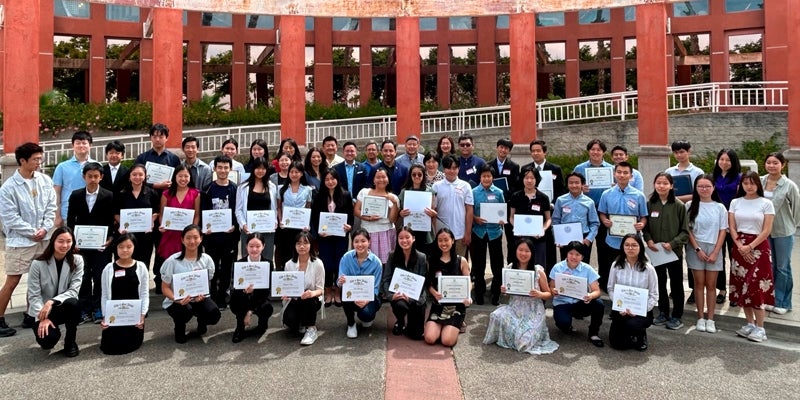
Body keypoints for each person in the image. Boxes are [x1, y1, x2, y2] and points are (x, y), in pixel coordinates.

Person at [0, 143, 57, 337]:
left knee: (39, 278)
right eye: (35, 159)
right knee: (13, 280)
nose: (39, 162)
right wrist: (32, 231)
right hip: (20, 241)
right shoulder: (8, 188)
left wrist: (45, 228)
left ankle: (29, 313)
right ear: (22, 161)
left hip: (44, 238)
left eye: (40, 159)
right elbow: (10, 217)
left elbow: (51, 206)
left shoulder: (44, 180)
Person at [483, 238, 559, 355]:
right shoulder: (510, 268)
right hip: (515, 308)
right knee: (496, 316)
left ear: (532, 253)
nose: (523, 253)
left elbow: (548, 294)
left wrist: (539, 294)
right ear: (515, 251)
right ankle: (514, 333)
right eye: (520, 250)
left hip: (534, 310)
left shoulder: (538, 270)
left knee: (523, 343)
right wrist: (504, 290)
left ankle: (523, 334)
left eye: (527, 251)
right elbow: (508, 292)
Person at [134, 123, 181, 294]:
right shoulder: (142, 158)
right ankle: (142, 283)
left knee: (164, 245)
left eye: (161, 136)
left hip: (167, 208)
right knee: (144, 247)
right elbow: (136, 179)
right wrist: (155, 184)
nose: (158, 139)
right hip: (146, 207)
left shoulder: (174, 159)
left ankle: (162, 280)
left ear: (166, 138)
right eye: (155, 135)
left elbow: (180, 180)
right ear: (151, 138)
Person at [66, 162, 115, 323]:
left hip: (102, 245)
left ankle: (99, 307)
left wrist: (110, 239)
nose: (93, 179)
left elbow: (112, 221)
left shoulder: (109, 195)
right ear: (84, 177)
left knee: (101, 275)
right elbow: (70, 220)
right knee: (83, 276)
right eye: (89, 176)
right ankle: (85, 308)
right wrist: (72, 242)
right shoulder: (75, 195)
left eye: (96, 176)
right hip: (81, 246)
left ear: (101, 177)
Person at [729, 171, 775, 342]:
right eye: (745, 183)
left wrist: (750, 246)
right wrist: (740, 246)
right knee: (741, 286)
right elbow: (732, 227)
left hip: (759, 247)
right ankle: (749, 323)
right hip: (739, 246)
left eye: (752, 183)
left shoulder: (766, 203)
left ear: (758, 184)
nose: (749, 186)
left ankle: (761, 327)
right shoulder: (735, 202)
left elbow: (767, 230)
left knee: (755, 287)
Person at [27, 227, 84, 357]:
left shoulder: (77, 261)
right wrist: (43, 317)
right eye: (60, 241)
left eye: (69, 241)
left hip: (61, 307)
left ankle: (70, 342)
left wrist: (51, 302)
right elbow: (33, 295)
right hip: (41, 310)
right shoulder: (37, 264)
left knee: (74, 303)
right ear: (53, 241)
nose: (64, 245)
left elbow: (74, 290)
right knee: (47, 342)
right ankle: (51, 330)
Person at [160, 225, 221, 343]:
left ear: (201, 238)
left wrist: (202, 295)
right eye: (188, 238)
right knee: (184, 311)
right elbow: (165, 288)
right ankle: (179, 328)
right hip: (178, 301)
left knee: (214, 315)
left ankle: (202, 321)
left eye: (195, 237)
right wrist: (176, 299)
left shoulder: (207, 259)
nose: (192, 241)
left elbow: (206, 283)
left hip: (199, 298)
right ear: (182, 239)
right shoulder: (172, 261)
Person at [644, 173, 689, 330]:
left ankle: (677, 316)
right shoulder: (650, 204)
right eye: (658, 183)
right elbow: (646, 227)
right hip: (656, 253)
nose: (661, 186)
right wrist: (648, 240)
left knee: (676, 285)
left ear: (671, 186)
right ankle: (663, 312)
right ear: (654, 184)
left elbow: (685, 231)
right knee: (660, 283)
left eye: (665, 183)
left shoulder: (678, 205)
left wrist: (672, 243)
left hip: (673, 253)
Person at [685, 174, 727, 333]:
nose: (704, 189)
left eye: (707, 186)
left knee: (711, 285)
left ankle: (711, 319)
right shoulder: (689, 205)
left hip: (714, 247)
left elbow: (723, 230)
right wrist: (697, 249)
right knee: (698, 284)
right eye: (700, 186)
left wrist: (716, 252)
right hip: (695, 248)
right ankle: (700, 317)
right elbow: (688, 230)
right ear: (696, 188)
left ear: (713, 188)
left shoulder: (719, 207)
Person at [597, 161, 648, 292]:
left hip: (632, 242)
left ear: (631, 176)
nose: (622, 175)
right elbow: (602, 212)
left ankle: (630, 296)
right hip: (612, 240)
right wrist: (604, 220)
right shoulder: (606, 194)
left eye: (625, 173)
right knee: (614, 270)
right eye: (619, 172)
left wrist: (642, 224)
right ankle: (614, 296)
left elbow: (643, 216)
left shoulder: (638, 195)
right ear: (614, 174)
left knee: (632, 270)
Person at [761, 152, 799, 315]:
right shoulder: (760, 181)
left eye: (775, 163)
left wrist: (792, 225)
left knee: (783, 267)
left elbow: (797, 208)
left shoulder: (789, 185)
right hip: (764, 231)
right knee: (769, 266)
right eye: (769, 162)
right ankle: (771, 298)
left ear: (782, 165)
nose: (771, 165)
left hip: (783, 231)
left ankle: (783, 302)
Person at [99, 234, 149, 355]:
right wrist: (105, 317)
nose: (125, 250)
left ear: (134, 248)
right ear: (116, 248)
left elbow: (144, 293)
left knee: (131, 344)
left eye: (129, 246)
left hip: (133, 316)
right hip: (115, 316)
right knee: (109, 347)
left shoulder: (141, 267)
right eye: (121, 247)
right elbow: (105, 295)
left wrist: (142, 315)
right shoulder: (108, 268)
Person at [548, 241, 605, 348]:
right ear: (566, 254)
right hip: (562, 303)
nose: (574, 257)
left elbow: (597, 291)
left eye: (577, 254)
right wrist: (553, 291)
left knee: (599, 304)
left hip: (580, 303)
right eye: (571, 253)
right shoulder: (557, 267)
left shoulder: (587, 269)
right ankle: (566, 326)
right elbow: (551, 286)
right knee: (563, 322)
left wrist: (590, 296)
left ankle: (593, 333)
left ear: (582, 257)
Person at [607, 234, 658, 351]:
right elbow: (610, 288)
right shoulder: (616, 265)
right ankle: (627, 333)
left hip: (641, 311)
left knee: (633, 325)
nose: (630, 248)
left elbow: (654, 295)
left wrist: (641, 310)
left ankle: (640, 334)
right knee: (617, 344)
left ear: (640, 247)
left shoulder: (649, 269)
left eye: (634, 245)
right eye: (627, 245)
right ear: (623, 247)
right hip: (621, 310)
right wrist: (619, 306)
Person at [311, 169, 354, 306]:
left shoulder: (346, 195)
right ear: (324, 181)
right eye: (327, 179)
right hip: (325, 237)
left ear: (337, 180)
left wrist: (349, 227)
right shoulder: (319, 196)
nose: (330, 182)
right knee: (327, 265)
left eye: (333, 178)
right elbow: (315, 217)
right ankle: (328, 290)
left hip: (340, 236)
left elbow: (350, 216)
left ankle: (338, 291)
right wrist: (319, 231)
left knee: (339, 264)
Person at [201, 155, 239, 309]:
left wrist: (235, 226)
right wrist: (206, 228)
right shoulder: (208, 189)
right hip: (212, 237)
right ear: (214, 169)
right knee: (213, 267)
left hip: (229, 236)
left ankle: (224, 294)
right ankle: (214, 295)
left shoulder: (235, 188)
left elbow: (238, 210)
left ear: (230, 169)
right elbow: (204, 210)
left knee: (227, 267)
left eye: (226, 167)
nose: (223, 170)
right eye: (220, 167)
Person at [114, 164, 160, 287]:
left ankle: (143, 290)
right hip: (127, 236)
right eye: (134, 174)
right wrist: (120, 224)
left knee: (143, 264)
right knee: (126, 263)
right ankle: (125, 288)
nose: (137, 177)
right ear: (129, 177)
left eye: (140, 174)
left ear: (145, 177)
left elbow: (157, 211)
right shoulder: (122, 194)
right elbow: (116, 213)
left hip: (145, 236)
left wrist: (151, 220)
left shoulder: (152, 193)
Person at [424, 228, 472, 347]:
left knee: (447, 341)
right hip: (438, 305)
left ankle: (458, 324)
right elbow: (428, 283)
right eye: (440, 240)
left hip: (456, 306)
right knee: (430, 338)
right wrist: (434, 293)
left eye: (446, 240)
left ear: (453, 241)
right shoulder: (432, 260)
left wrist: (468, 296)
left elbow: (468, 282)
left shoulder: (461, 261)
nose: (443, 243)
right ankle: (442, 326)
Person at [381, 227, 428, 340]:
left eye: (407, 237)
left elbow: (422, 282)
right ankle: (401, 321)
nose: (404, 241)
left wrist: (411, 298)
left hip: (416, 297)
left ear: (414, 239)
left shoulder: (421, 257)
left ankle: (412, 319)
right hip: (399, 296)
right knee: (400, 305)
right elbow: (386, 279)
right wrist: (391, 296)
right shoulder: (392, 256)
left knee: (416, 335)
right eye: (401, 238)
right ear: (397, 240)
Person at [470, 164, 506, 305]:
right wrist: (475, 218)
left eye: (489, 176)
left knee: (497, 265)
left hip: (494, 232)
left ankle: (495, 294)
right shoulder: (473, 192)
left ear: (493, 178)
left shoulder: (498, 192)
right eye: (484, 176)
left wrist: (501, 219)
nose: (486, 178)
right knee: (479, 265)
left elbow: (502, 210)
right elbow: (469, 210)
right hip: (478, 232)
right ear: (480, 177)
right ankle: (479, 293)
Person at [338, 229, 383, 339]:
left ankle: (366, 316)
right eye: (356, 241)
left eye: (363, 241)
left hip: (370, 297)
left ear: (369, 242)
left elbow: (376, 288)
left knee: (366, 315)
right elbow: (340, 282)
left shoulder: (376, 262)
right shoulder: (346, 258)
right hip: (351, 296)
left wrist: (366, 300)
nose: (360, 244)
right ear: (352, 243)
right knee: (343, 291)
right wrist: (341, 281)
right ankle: (351, 323)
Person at [230, 234, 274, 343]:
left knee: (267, 307)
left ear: (263, 246)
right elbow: (235, 290)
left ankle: (262, 325)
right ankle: (240, 327)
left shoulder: (268, 263)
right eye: (251, 246)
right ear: (246, 246)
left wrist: (249, 311)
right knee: (237, 301)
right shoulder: (239, 264)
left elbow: (266, 291)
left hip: (260, 298)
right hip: (242, 298)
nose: (254, 249)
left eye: (258, 246)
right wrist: (245, 292)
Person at [283, 232, 325, 345]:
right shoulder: (289, 265)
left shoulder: (318, 263)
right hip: (295, 299)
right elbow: (286, 286)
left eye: (305, 243)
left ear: (311, 245)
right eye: (299, 243)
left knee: (308, 299)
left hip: (312, 299)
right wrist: (285, 294)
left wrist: (312, 293)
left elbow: (321, 290)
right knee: (289, 320)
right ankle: (302, 321)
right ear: (295, 246)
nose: (302, 246)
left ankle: (311, 329)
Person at [712, 148, 742, 305]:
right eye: (721, 159)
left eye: (728, 160)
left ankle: (735, 291)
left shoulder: (739, 178)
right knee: (718, 256)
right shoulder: (713, 177)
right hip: (717, 222)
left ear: (733, 162)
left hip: (735, 223)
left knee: (735, 257)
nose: (724, 163)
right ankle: (722, 289)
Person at [235, 156, 278, 262]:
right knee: (249, 259)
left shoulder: (271, 187)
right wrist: (243, 224)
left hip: (267, 230)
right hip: (248, 230)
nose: (260, 171)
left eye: (263, 168)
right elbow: (238, 209)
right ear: (253, 169)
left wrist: (275, 221)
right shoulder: (243, 187)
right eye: (258, 168)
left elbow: (274, 208)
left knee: (267, 259)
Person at [355, 167, 400, 263]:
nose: (381, 180)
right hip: (368, 232)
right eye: (378, 177)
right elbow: (356, 210)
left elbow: (392, 220)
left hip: (386, 233)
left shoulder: (393, 197)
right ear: (373, 180)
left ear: (388, 180)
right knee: (366, 261)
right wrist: (368, 218)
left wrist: (395, 203)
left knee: (386, 262)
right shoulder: (364, 192)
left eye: (384, 177)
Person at [509, 165, 551, 268]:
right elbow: (511, 217)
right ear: (522, 179)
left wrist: (543, 229)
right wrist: (516, 228)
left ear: (537, 180)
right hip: (521, 238)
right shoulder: (516, 196)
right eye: (526, 178)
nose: (529, 180)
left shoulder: (543, 198)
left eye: (532, 178)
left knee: (538, 267)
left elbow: (548, 219)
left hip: (538, 239)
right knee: (520, 265)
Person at [158, 165, 201, 264]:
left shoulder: (196, 194)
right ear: (175, 177)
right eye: (180, 176)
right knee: (170, 263)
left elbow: (197, 215)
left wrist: (193, 231)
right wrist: (162, 225)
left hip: (188, 236)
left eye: (186, 176)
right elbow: (162, 215)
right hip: (170, 234)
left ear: (190, 177)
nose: (183, 179)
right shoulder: (166, 194)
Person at [432, 155, 474, 257]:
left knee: (459, 262)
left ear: (459, 169)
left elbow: (469, 210)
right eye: (448, 168)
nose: (451, 171)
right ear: (444, 169)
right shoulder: (436, 186)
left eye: (454, 168)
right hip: (441, 233)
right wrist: (434, 232)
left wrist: (468, 233)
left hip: (460, 233)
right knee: (441, 262)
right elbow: (433, 210)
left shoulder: (465, 186)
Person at [552, 172, 599, 262]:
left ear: (582, 184)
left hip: (583, 238)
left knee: (583, 266)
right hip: (565, 238)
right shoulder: (560, 200)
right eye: (571, 183)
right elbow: (555, 220)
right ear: (567, 184)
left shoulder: (589, 202)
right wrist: (557, 238)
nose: (574, 185)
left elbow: (594, 223)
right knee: (566, 265)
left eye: (577, 183)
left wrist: (589, 239)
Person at [53, 131, 96, 227]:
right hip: (68, 213)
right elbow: (56, 192)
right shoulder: (62, 167)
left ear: (90, 145)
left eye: (84, 143)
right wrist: (57, 215)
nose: (81, 146)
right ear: (73, 145)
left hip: (91, 213)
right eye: (78, 143)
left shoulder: (97, 166)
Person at [276, 161, 313, 269]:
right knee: (285, 254)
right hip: (285, 227)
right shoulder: (281, 189)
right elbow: (279, 207)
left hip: (300, 228)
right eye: (291, 172)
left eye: (296, 172)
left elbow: (308, 207)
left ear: (301, 173)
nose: (294, 174)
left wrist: (307, 223)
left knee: (298, 253)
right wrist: (280, 220)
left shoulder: (307, 189)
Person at [490, 138, 521, 263]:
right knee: (495, 239)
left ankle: (511, 265)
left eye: (506, 148)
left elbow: (516, 186)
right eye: (501, 147)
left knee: (511, 239)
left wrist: (505, 193)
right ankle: (497, 267)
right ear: (497, 148)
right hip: (492, 206)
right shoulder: (488, 164)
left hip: (508, 206)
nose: (503, 150)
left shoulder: (514, 166)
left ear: (509, 151)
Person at [398, 164, 437, 255]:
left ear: (423, 176)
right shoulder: (404, 192)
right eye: (414, 174)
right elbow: (398, 212)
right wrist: (401, 213)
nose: (416, 177)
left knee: (423, 257)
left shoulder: (429, 191)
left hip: (424, 231)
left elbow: (433, 212)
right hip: (408, 229)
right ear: (410, 176)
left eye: (419, 174)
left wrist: (433, 213)